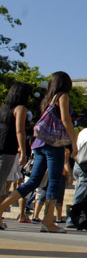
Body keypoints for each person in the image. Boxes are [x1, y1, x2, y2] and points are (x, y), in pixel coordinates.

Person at [0, 72, 77, 233]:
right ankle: (48, 221)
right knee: (54, 180)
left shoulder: (46, 99)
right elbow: (65, 119)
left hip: (39, 143)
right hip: (53, 144)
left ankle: (1, 208)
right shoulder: (62, 96)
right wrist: (73, 141)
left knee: (33, 181)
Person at [0, 82, 32, 228]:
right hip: (8, 148)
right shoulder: (20, 109)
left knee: (2, 185)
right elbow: (20, 131)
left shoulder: (2, 108)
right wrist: (23, 151)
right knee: (1, 183)